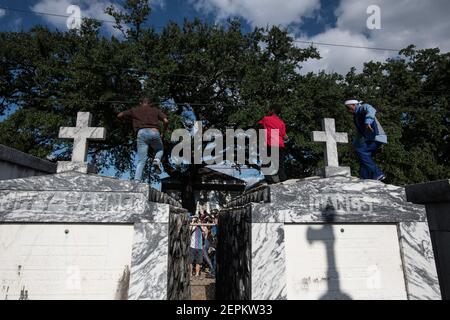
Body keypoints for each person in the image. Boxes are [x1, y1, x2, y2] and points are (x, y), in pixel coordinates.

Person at [117, 97, 169, 181]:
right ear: (150, 104)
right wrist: (163, 132)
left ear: (140, 103)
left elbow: (119, 115)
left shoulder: (134, 110)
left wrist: (125, 121)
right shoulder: (155, 110)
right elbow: (166, 121)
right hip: (154, 132)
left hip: (141, 133)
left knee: (141, 160)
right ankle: (156, 160)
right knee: (160, 149)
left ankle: (137, 181)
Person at [344, 99, 387, 181]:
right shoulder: (356, 117)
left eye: (349, 108)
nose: (348, 111)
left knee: (362, 151)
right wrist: (354, 146)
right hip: (371, 139)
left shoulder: (363, 107)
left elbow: (371, 110)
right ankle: (364, 178)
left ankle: (378, 174)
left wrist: (368, 122)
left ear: (354, 105)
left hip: (377, 136)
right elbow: (359, 134)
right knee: (363, 156)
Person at [257, 104, 288, 183]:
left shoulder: (266, 119)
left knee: (266, 165)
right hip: (280, 145)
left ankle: (270, 182)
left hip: (271, 143)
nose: (268, 111)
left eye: (269, 110)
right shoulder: (281, 123)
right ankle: (284, 182)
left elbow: (259, 126)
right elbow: (285, 136)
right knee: (280, 166)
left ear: (272, 110)